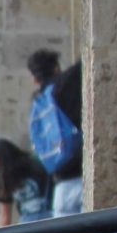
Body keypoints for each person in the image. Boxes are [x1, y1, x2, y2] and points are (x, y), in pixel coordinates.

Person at [27, 48, 85, 216]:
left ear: (35, 79)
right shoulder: (67, 83)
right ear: (56, 68)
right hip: (82, 174)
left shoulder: (38, 100)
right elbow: (86, 60)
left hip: (60, 182)